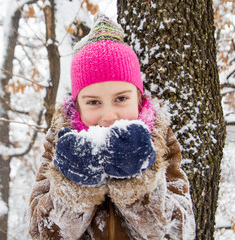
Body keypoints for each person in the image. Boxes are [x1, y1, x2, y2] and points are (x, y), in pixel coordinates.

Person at [29, 14, 196, 240]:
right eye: (93, 102)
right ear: (78, 105)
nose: (109, 116)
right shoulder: (60, 142)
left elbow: (180, 232)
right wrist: (74, 189)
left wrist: (138, 184)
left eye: (120, 99)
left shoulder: (158, 137)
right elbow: (42, 233)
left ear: (137, 98)